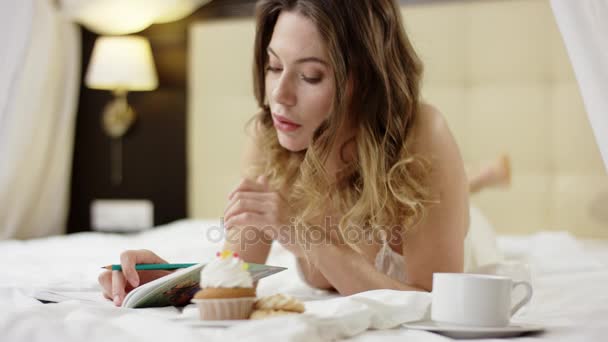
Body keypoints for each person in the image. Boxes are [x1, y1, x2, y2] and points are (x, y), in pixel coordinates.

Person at [99, 0, 505, 306]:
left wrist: (301, 232)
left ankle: (477, 177)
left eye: (310, 75)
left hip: (456, 234)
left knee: (454, 197)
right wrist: (159, 281)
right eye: (275, 67)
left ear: (363, 81)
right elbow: (234, 277)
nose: (279, 96)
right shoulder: (270, 138)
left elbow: (433, 302)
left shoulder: (423, 134)